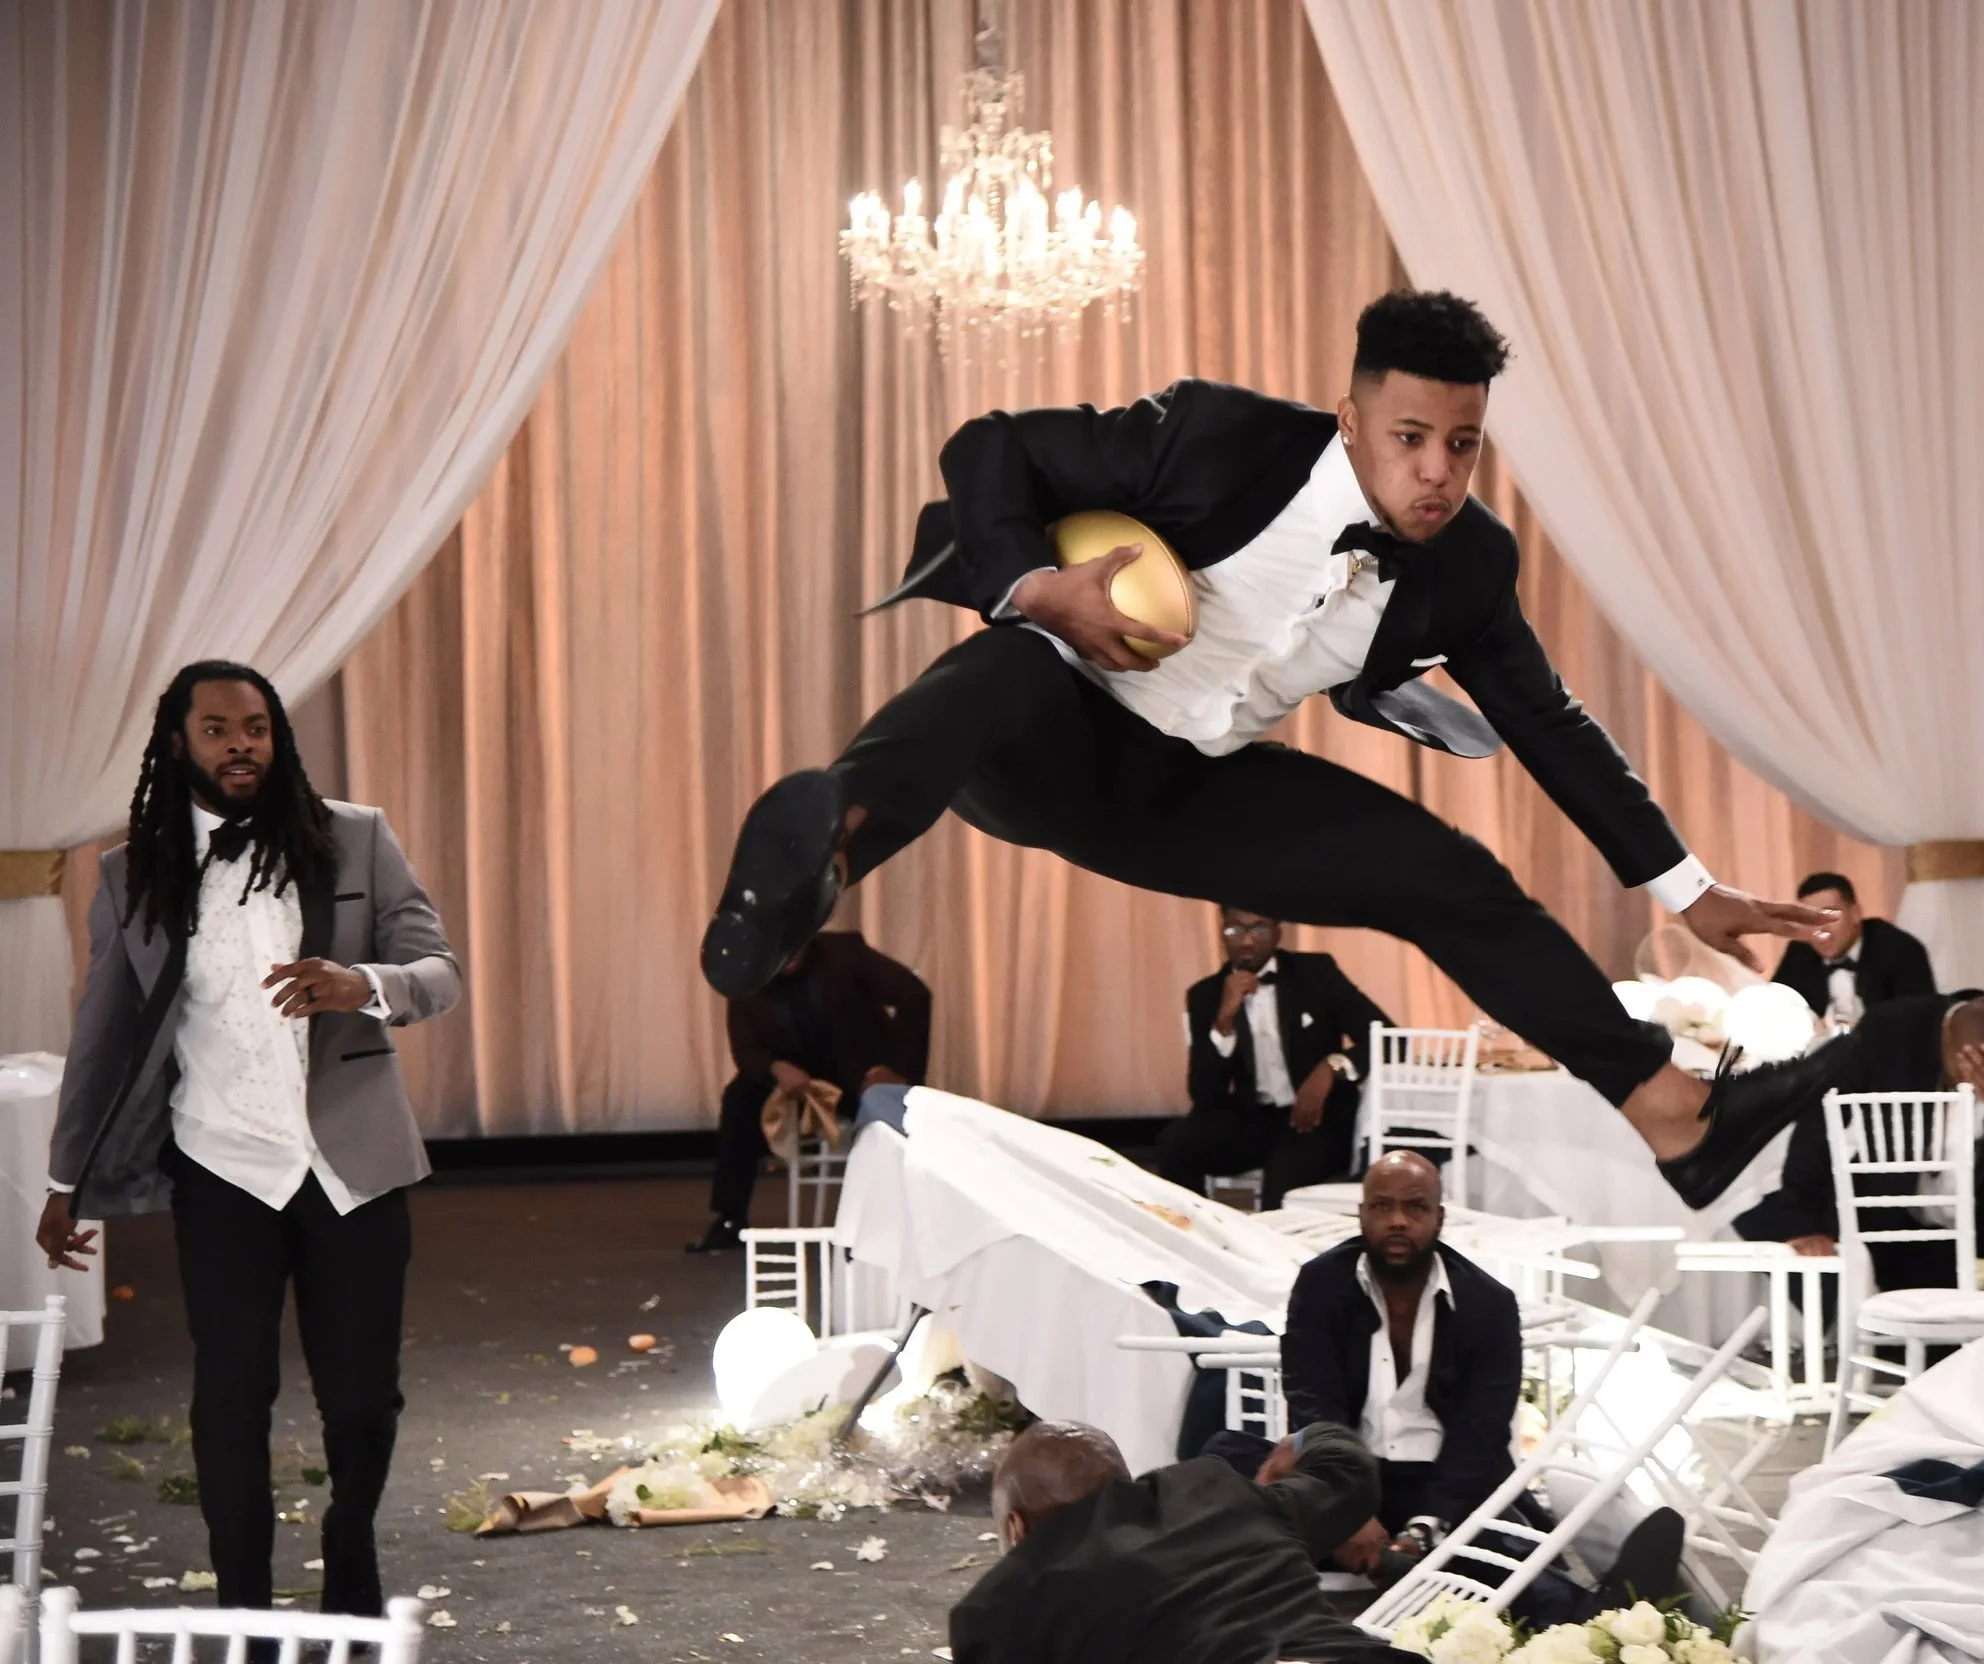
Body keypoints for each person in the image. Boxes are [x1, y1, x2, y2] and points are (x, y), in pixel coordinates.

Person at [699, 289, 1827, 1207]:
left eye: (1463, 445)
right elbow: (987, 446)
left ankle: (1673, 1116)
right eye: (1410, 438)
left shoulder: (1470, 567)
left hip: (1192, 789)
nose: (1437, 470)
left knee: (1447, 875)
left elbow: (1551, 725)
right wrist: (1039, 586)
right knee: (1009, 657)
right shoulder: (1216, 440)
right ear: (1351, 419)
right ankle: (824, 853)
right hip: (1045, 734)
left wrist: (1686, 887)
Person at [35, 661, 463, 1619]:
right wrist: (65, 1180)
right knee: (230, 1398)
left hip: (351, 1167)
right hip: (221, 1165)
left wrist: (367, 985)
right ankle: (243, 1606)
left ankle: (349, 1551)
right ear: (179, 741)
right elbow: (102, 1037)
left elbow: (440, 970)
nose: (243, 746)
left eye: (258, 728)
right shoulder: (130, 871)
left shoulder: (355, 837)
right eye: (221, 729)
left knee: (361, 1398)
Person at [948, 1417, 1412, 1664]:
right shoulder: (1216, 1490)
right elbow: (1350, 1468)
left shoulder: (1000, 1608)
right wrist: (1301, 1442)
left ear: (1016, 1527)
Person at [1733, 993, 1984, 1300]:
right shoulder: (1889, 1029)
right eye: (1961, 1071)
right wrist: (1805, 1219)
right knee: (1929, 1343)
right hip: (1898, 1204)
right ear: (1945, 1038)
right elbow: (1821, 1114)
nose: (1967, 1086)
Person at [1280, 1152, 1520, 1574]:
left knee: (1512, 1564)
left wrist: (1426, 1525)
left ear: (1439, 1219)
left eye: (1415, 1207)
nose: (1397, 1221)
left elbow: (1481, 1430)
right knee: (1230, 1466)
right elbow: (1312, 1401)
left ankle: (1596, 1607)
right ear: (1361, 1215)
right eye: (1381, 1206)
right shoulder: (1322, 1284)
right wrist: (1344, 1506)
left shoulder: (1489, 1304)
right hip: (1352, 1472)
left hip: (1446, 1480)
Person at [687, 928, 931, 1253]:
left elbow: (914, 995)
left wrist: (896, 1071)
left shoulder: (844, 953)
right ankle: (730, 1218)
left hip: (855, 1073)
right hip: (794, 1080)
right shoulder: (747, 975)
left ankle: (894, 1225)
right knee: (740, 1100)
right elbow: (746, 1049)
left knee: (884, 1112)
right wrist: (775, 1068)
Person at [1156, 906, 1390, 1209]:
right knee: (1173, 1145)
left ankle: (1277, 1252)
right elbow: (1204, 1092)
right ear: (1221, 931)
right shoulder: (1205, 995)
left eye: (1260, 929)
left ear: (1279, 931)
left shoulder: (1316, 973)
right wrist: (1223, 1024)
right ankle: (1198, 1232)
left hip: (1315, 1120)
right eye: (1235, 930)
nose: (1247, 942)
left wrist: (1331, 1067)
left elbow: (1384, 1036)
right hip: (1253, 1120)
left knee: (1280, 1190)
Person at [1769, 872, 1935, 1024]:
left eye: (1830, 916)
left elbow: (1918, 1024)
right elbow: (1773, 1013)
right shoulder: (1800, 952)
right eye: (1809, 919)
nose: (1820, 929)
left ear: (1856, 913)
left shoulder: (1900, 950)